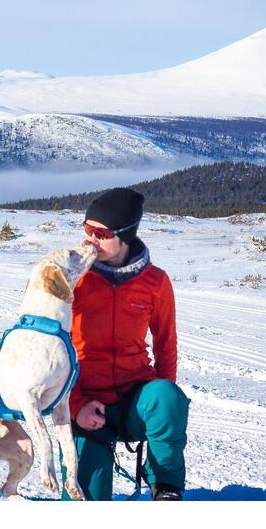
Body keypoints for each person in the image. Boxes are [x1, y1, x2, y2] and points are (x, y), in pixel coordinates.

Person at [60, 187, 190, 501]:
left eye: (100, 233)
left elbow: (165, 344)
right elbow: (54, 350)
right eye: (87, 230)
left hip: (135, 401)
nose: (90, 239)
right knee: (85, 499)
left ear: (125, 235)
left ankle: (166, 486)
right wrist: (76, 405)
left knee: (167, 396)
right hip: (87, 405)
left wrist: (163, 410)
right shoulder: (72, 279)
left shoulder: (155, 282)